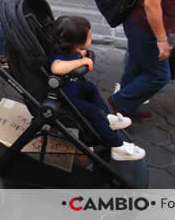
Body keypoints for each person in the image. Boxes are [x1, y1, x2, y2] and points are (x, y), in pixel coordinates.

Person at [48, 16, 145, 161]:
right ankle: (117, 147)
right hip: (65, 99)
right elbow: (56, 67)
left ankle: (107, 119)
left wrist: (79, 54)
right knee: (94, 113)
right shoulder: (59, 57)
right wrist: (82, 60)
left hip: (71, 89)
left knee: (90, 87)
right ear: (78, 42)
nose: (91, 38)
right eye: (89, 36)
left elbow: (72, 56)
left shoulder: (69, 50)